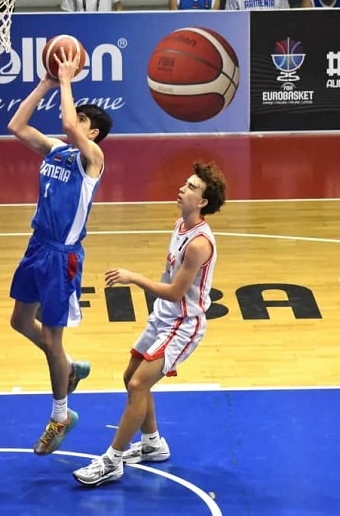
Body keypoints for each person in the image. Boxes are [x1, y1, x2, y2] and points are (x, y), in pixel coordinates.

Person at [72, 160, 227, 486]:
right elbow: (169, 279)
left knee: (138, 385)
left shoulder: (199, 244)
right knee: (131, 377)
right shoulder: (181, 225)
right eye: (185, 183)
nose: (183, 189)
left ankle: (112, 461)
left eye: (191, 187)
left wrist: (133, 277)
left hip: (184, 324)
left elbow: (175, 292)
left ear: (202, 201)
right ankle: (153, 444)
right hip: (164, 316)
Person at [6, 47, 113, 456]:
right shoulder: (56, 150)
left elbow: (68, 123)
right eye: (76, 118)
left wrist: (66, 79)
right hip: (37, 247)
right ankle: (67, 366)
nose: (73, 122)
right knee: (20, 321)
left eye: (83, 121)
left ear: (93, 133)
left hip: (61, 258)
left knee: (52, 339)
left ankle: (61, 415)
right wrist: (45, 83)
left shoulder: (93, 160)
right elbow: (16, 125)